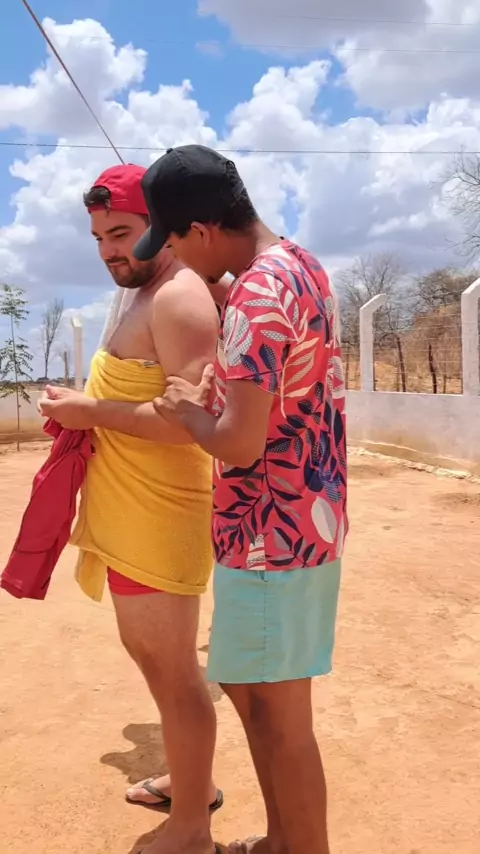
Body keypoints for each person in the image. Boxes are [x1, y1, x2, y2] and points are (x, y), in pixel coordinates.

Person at [133, 145, 348, 854]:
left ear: (200, 229)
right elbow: (283, 393)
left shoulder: (255, 297)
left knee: (281, 720)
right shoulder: (300, 266)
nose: (173, 258)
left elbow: (240, 445)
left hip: (267, 535)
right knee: (258, 702)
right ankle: (283, 842)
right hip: (307, 521)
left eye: (173, 241)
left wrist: (189, 413)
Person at [39, 164, 225, 854]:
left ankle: (193, 826)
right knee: (150, 658)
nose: (109, 250)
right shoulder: (142, 291)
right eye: (98, 237)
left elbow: (192, 423)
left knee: (174, 672)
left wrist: (90, 410)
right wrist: (85, 408)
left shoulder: (178, 298)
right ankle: (187, 779)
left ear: (162, 226)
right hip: (129, 511)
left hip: (160, 515)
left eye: (121, 233)